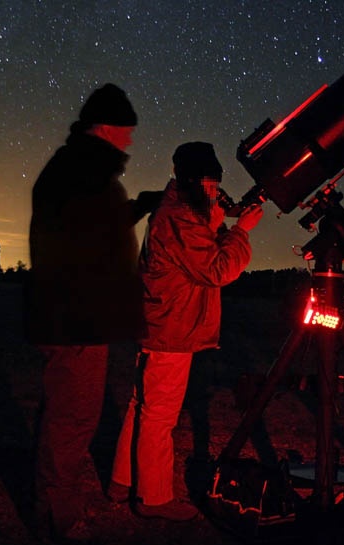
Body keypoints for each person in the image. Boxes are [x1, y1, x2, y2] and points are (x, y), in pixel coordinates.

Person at [27, 83, 159, 541]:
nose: (129, 141)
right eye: (125, 131)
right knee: (73, 416)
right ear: (105, 127)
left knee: (68, 412)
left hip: (76, 315)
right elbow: (82, 242)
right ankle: (57, 517)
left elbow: (93, 228)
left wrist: (139, 206)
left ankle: (53, 505)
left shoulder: (79, 170)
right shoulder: (81, 171)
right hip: (75, 319)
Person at [108, 141, 263, 521]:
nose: (215, 192)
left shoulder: (180, 210)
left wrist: (216, 221)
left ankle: (122, 482)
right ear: (198, 179)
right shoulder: (180, 216)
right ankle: (154, 498)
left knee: (141, 405)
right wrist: (241, 230)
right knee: (159, 415)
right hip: (173, 328)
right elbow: (216, 269)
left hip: (161, 322)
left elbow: (198, 251)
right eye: (212, 184)